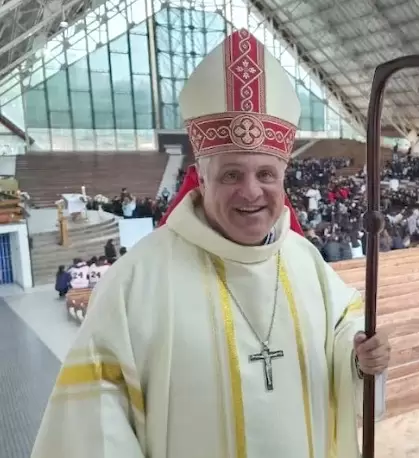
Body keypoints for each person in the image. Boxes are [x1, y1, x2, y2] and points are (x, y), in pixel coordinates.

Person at [31, 29, 389, 458]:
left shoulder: (303, 259)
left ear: (283, 179)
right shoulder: (137, 279)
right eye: (231, 175)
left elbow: (344, 326)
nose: (252, 192)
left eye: (265, 175)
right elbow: (95, 424)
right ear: (201, 179)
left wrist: (359, 357)